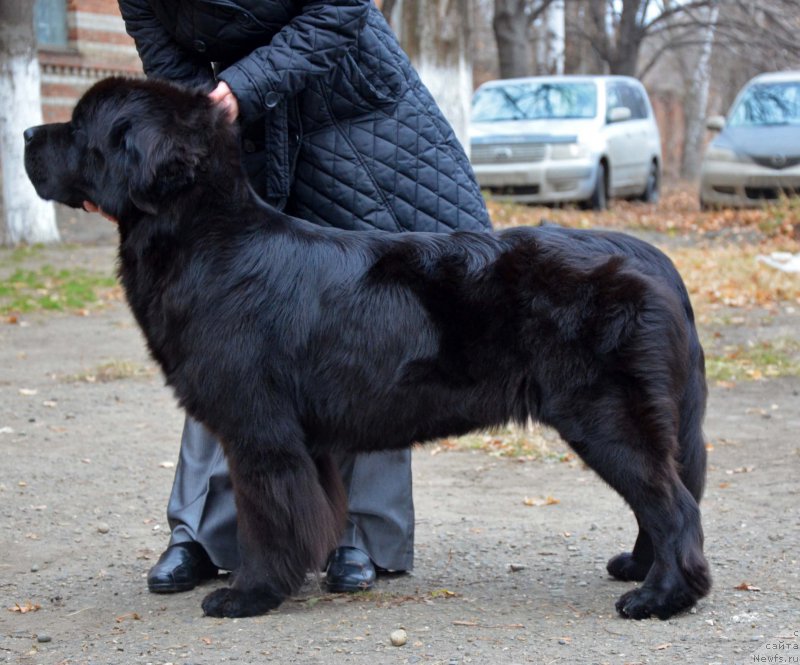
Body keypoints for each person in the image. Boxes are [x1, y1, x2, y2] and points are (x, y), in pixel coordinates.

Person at [113, 0, 492, 595]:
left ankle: (360, 535)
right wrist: (191, 132)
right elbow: (168, 64)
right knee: (221, 327)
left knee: (369, 324)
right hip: (241, 134)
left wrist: (241, 86)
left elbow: (338, 11)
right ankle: (207, 534)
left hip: (354, 120)